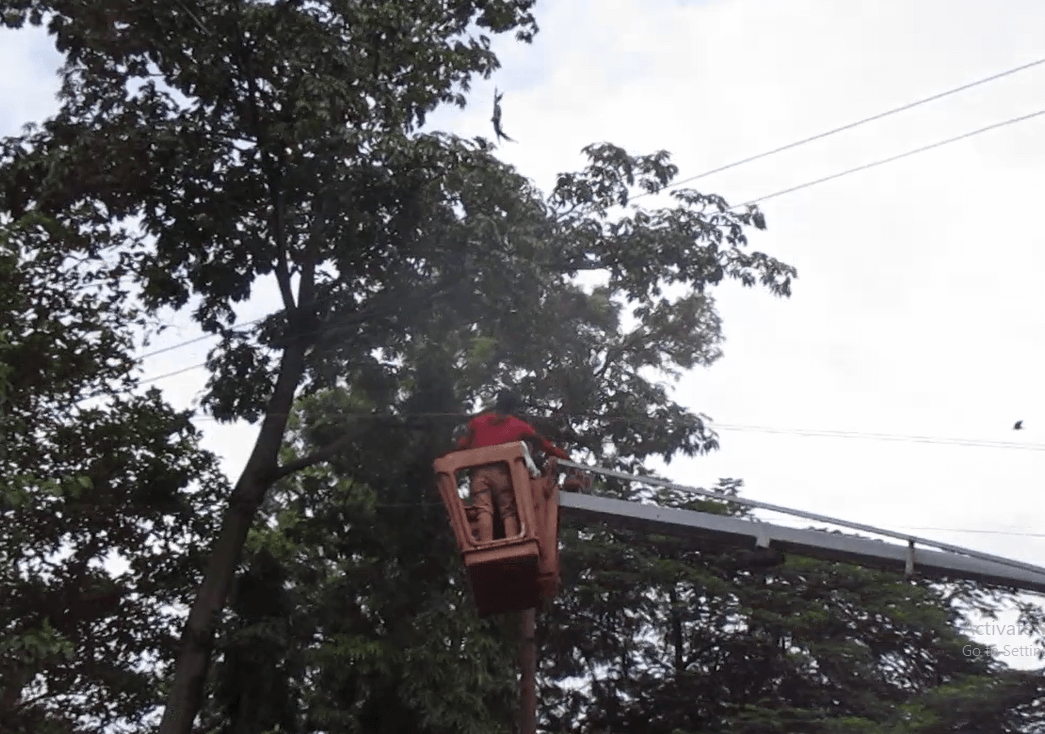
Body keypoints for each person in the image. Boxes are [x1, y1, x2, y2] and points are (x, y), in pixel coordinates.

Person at [454, 390, 570, 542]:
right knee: (508, 510)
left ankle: (485, 543)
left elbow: (461, 445)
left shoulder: (477, 422)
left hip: (479, 473)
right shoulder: (519, 426)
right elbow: (543, 444)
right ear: (513, 408)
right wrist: (565, 458)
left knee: (483, 509)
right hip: (503, 474)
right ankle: (512, 541)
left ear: (497, 403)